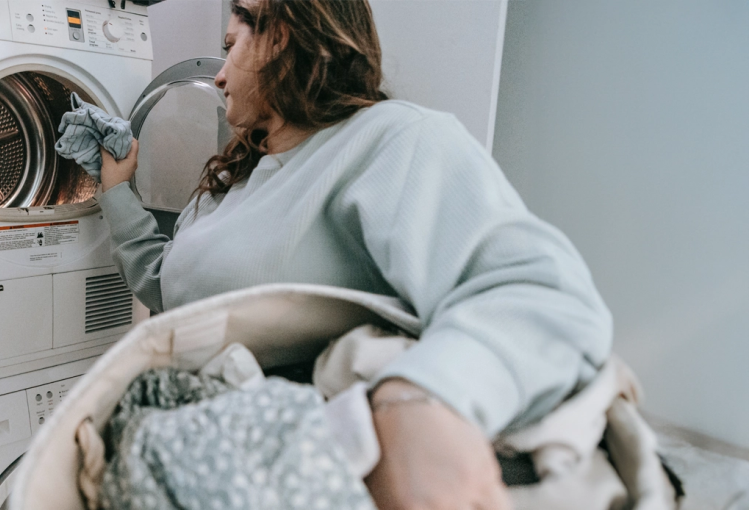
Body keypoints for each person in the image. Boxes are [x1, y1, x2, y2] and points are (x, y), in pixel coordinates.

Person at [95, 0, 612, 508]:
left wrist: (420, 399)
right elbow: (169, 292)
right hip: (191, 448)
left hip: (304, 457)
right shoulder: (231, 183)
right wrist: (115, 189)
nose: (221, 76)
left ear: (281, 35)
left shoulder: (388, 140)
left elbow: (536, 293)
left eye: (231, 47)